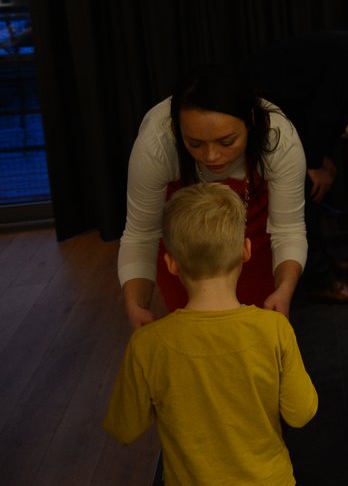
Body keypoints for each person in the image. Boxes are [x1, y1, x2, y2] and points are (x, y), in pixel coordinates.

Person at [103, 183, 318, 486]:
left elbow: (125, 428)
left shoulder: (148, 345)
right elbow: (302, 412)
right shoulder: (274, 330)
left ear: (171, 264)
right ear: (246, 250)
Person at [118, 67, 307, 329]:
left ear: (250, 120)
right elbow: (141, 234)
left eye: (226, 142)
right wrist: (136, 305)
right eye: (194, 144)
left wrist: (284, 290)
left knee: (256, 331)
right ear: (177, 129)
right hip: (188, 246)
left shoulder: (279, 137)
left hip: (256, 238)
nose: (211, 157)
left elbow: (288, 230)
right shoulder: (156, 144)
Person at [248, 31, 348, 303]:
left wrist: (319, 154)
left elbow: (329, 109)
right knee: (303, 192)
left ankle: (321, 265)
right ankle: (318, 278)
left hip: (288, 111)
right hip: (264, 109)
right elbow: (326, 109)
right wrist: (312, 163)